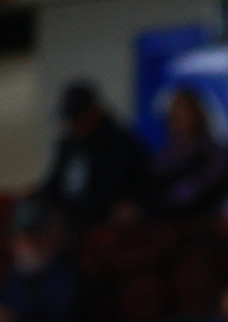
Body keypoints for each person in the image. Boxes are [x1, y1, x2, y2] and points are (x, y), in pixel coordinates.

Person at [36, 82, 150, 230]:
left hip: (104, 226)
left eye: (78, 117)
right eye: (70, 118)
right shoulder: (70, 145)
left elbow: (111, 192)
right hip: (67, 226)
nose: (74, 124)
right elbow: (55, 185)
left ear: (94, 111)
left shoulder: (120, 144)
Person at [151, 88, 228, 216]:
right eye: (174, 115)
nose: (176, 119)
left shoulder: (213, 154)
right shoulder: (165, 156)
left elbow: (198, 191)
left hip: (202, 224)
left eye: (182, 113)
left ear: (196, 115)